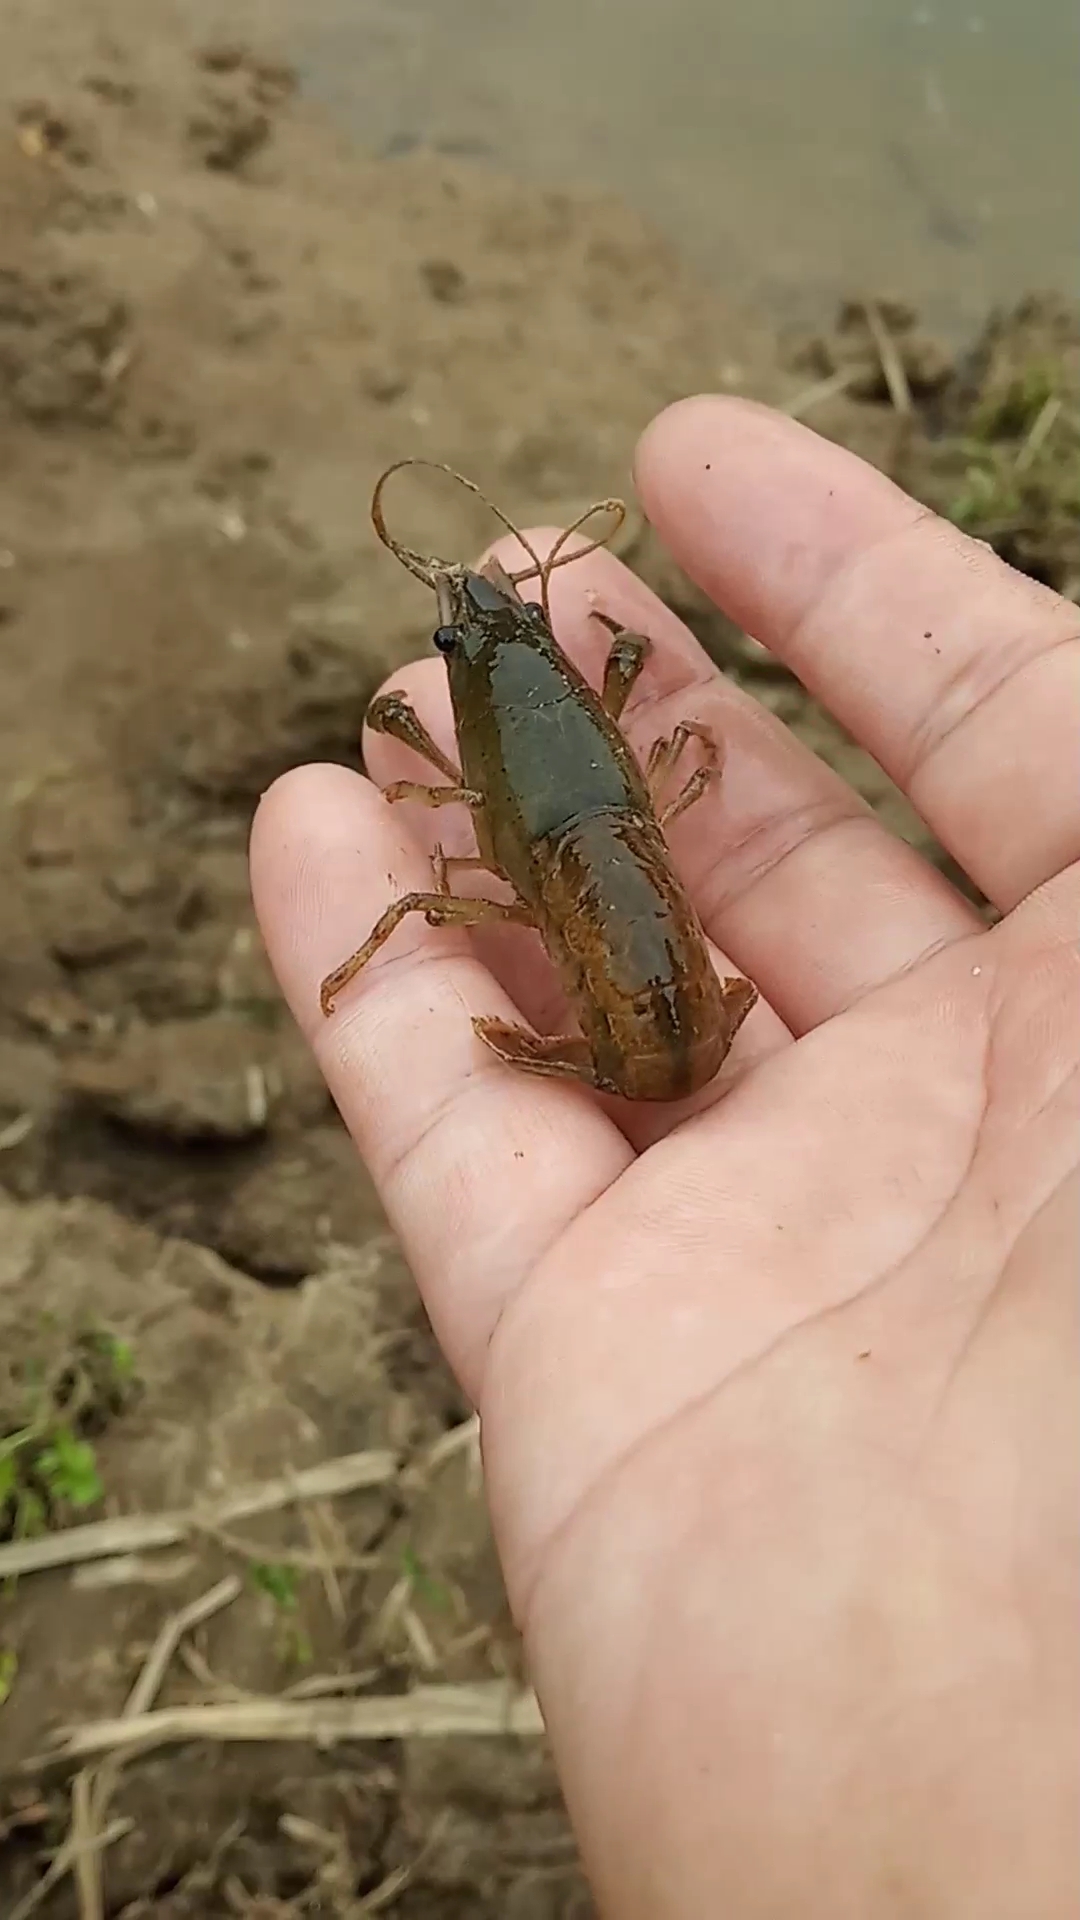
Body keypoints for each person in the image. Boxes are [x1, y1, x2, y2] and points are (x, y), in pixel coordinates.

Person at [251, 396, 1078, 1917]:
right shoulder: (615, 727)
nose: (481, 633)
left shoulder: (474, 772)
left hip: (638, 1001)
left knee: (416, 850)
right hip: (658, 950)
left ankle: (594, 1016)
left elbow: (456, 801)